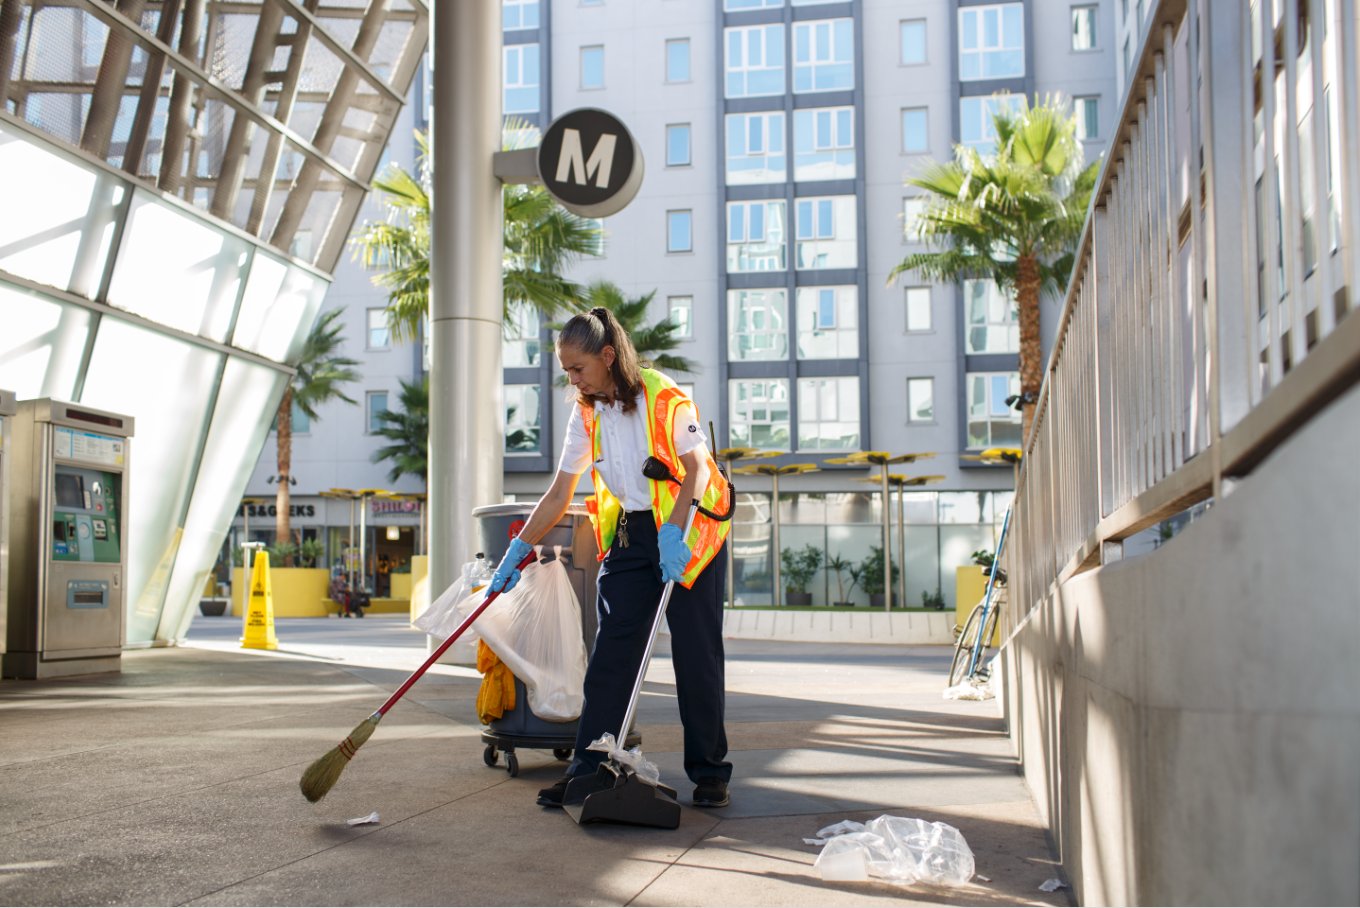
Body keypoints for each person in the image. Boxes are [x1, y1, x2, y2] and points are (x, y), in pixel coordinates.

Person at [489, 307, 733, 809]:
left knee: (695, 653)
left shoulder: (662, 396)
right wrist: (518, 549)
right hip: (630, 530)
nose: (572, 379)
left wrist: (673, 533)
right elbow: (560, 491)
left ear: (606, 356)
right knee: (612, 653)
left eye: (578, 368)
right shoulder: (586, 410)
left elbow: (697, 471)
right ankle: (589, 768)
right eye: (566, 371)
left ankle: (709, 771)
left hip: (690, 527)